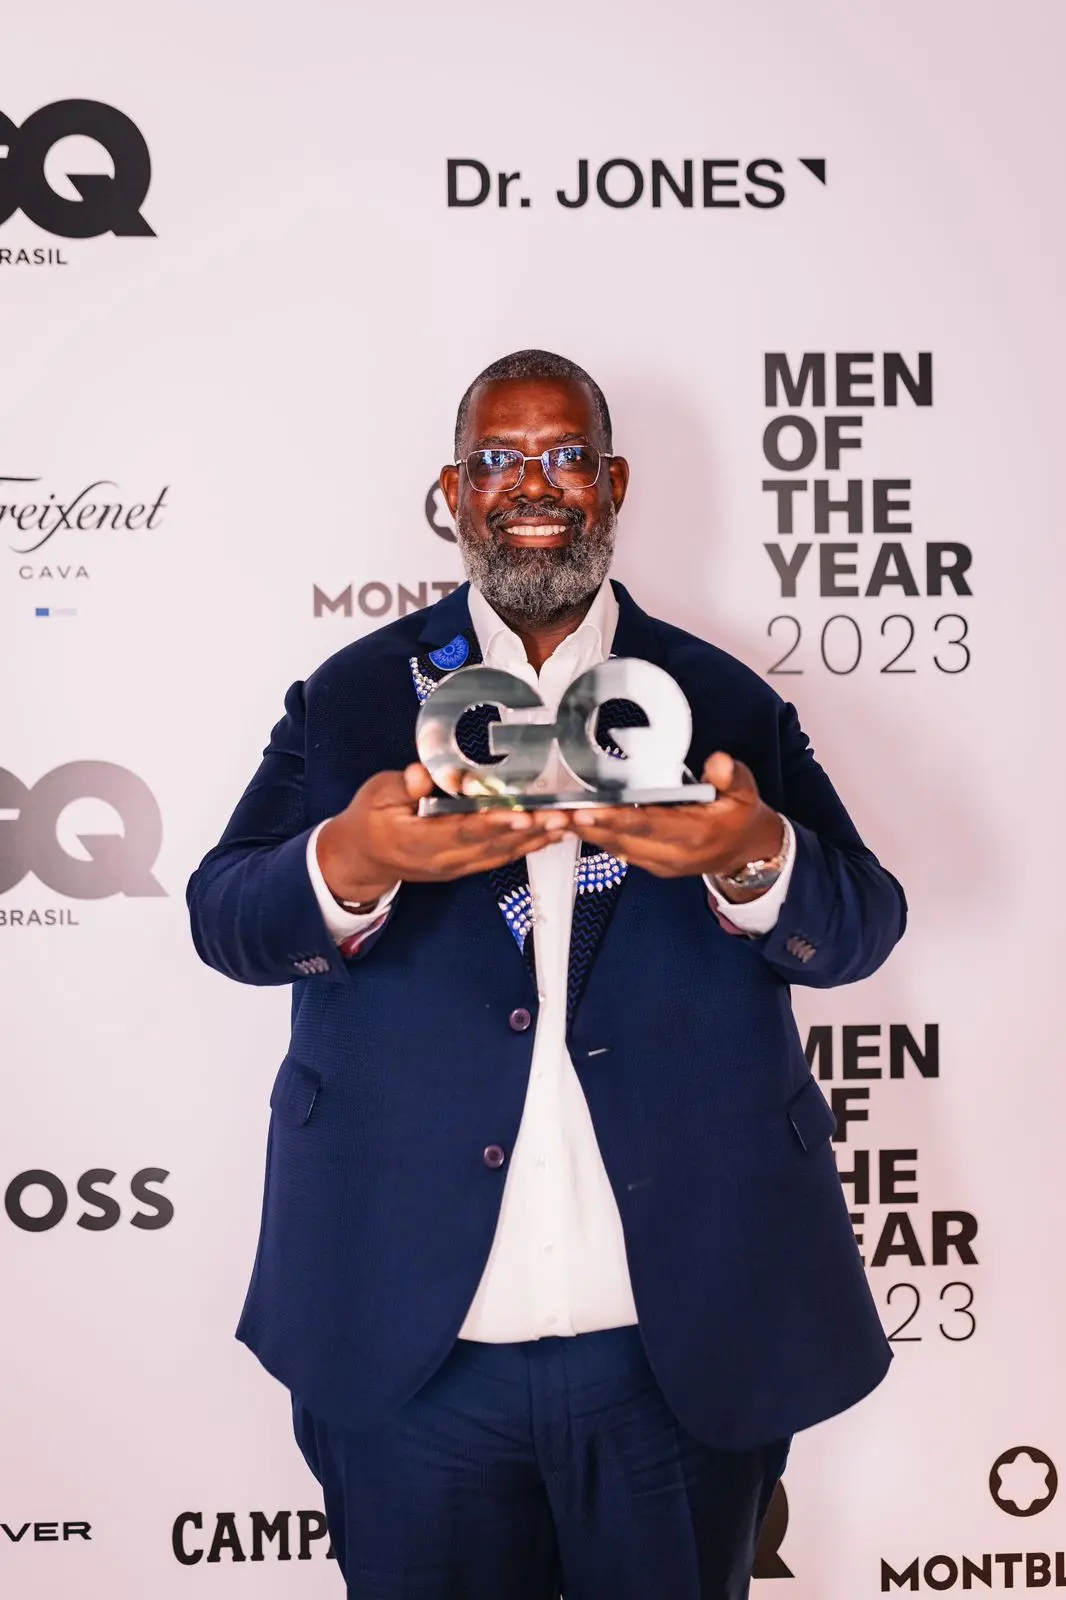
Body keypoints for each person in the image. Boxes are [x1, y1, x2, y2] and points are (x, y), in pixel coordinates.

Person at [187, 348, 906, 1600]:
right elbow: (225, 916)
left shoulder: (721, 699)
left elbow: (858, 926)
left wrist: (752, 856)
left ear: (613, 483)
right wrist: (353, 860)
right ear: (454, 493)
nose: (533, 484)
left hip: (672, 1348)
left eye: (566, 456)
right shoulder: (352, 698)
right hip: (410, 1345)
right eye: (498, 460)